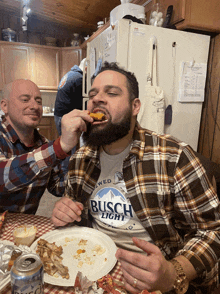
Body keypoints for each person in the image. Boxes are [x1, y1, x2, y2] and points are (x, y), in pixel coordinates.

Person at [51, 62, 220, 294]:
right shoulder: (81, 158)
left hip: (158, 279)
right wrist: (65, 209)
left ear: (135, 106)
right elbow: (73, 209)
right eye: (92, 94)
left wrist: (173, 272)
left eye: (111, 93)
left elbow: (213, 232)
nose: (97, 99)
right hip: (95, 269)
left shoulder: (174, 157)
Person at [0, 79, 80, 214]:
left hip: (25, 229)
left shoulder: (43, 145)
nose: (35, 106)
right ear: (4, 106)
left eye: (38, 101)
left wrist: (90, 157)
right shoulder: (50, 150)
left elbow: (58, 187)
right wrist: (59, 147)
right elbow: (2, 177)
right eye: (25, 100)